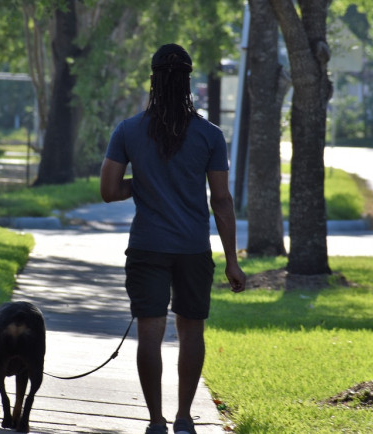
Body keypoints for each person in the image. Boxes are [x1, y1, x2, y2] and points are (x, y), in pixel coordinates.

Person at [99, 43, 246, 434]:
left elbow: (109, 190)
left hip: (147, 246)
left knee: (150, 331)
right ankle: (183, 419)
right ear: (188, 81)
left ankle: (155, 422)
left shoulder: (128, 130)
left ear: (153, 79)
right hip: (193, 249)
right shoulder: (210, 135)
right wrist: (232, 261)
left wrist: (143, 184)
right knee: (191, 331)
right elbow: (222, 200)